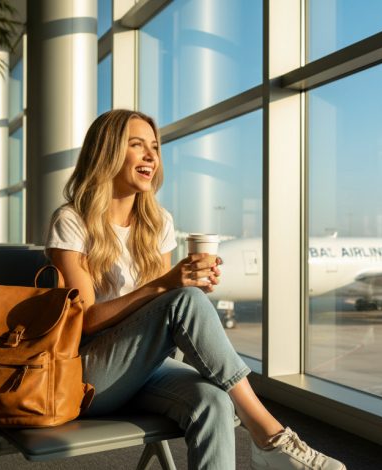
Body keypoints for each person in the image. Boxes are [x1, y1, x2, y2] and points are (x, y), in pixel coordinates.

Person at [46, 110, 344, 470]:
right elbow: (85, 321)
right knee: (185, 300)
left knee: (214, 401)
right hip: (90, 376)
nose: (151, 155)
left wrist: (187, 283)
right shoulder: (72, 221)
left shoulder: (158, 223)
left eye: (155, 147)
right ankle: (269, 436)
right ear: (106, 152)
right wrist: (169, 285)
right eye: (137, 145)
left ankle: (266, 440)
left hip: (147, 367)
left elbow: (162, 305)